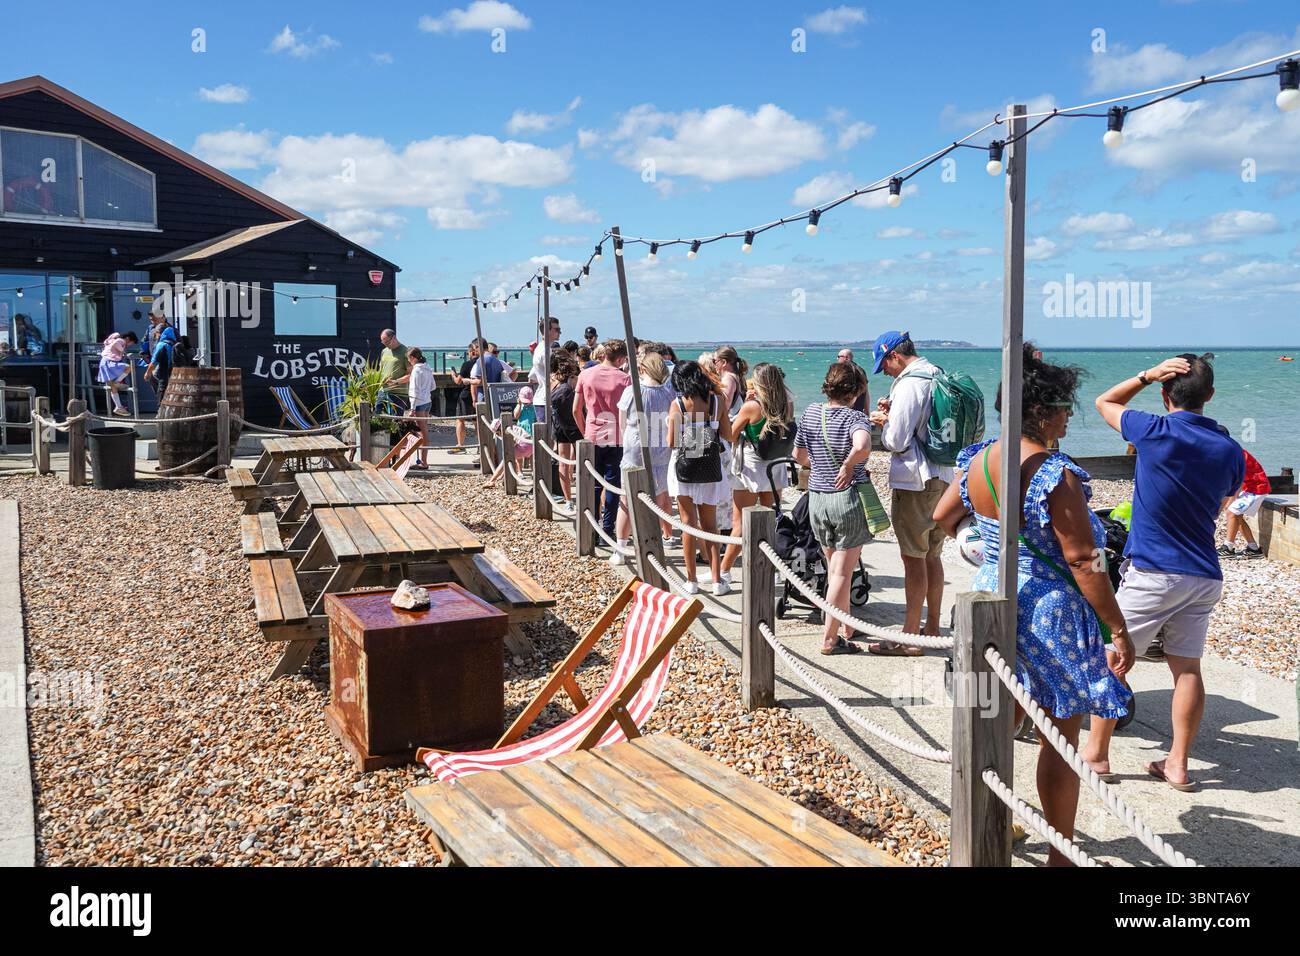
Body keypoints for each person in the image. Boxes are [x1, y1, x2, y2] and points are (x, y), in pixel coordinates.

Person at [933, 343, 1134, 867]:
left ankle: (983, 825)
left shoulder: (979, 459)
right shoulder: (1053, 473)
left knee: (992, 721)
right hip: (1047, 613)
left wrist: (984, 540)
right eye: (1065, 406)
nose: (1071, 415)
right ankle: (1060, 856)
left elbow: (941, 513)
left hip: (990, 595)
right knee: (1059, 736)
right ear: (1041, 411)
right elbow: (1084, 561)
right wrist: (1117, 627)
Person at [1081, 354, 1244, 792]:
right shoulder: (1231, 449)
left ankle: (1096, 755)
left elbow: (1103, 402)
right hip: (1204, 574)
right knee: (1187, 669)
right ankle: (1177, 763)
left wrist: (1144, 374)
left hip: (1155, 569)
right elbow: (1229, 494)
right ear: (1210, 396)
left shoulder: (1154, 430)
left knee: (1113, 658)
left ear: (1163, 393)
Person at [869, 330, 954, 652]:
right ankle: (931, 627)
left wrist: (883, 422)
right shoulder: (937, 374)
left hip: (916, 481)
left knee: (912, 558)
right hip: (944, 475)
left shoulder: (908, 383)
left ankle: (909, 635)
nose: (886, 372)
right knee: (933, 554)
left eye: (885, 365)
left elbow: (896, 441)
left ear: (895, 356)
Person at [793, 362, 876, 654]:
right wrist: (847, 464)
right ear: (854, 392)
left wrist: (821, 467)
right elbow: (863, 445)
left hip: (817, 497)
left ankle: (846, 624)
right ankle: (830, 638)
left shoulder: (812, 413)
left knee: (834, 570)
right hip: (847, 500)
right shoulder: (857, 419)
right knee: (842, 572)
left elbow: (798, 454)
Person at [721, 362, 797, 581]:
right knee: (770, 520)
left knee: (740, 523)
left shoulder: (752, 406)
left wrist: (743, 407)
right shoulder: (787, 403)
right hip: (775, 466)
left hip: (751, 467)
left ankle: (724, 571)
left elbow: (730, 436)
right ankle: (770, 568)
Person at [667, 360, 734, 595]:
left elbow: (672, 442)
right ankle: (717, 581)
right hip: (710, 467)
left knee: (688, 524)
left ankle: (691, 580)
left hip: (685, 468)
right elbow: (728, 434)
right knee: (710, 526)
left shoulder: (677, 404)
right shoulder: (717, 401)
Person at [614, 349, 678, 561]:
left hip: (636, 448)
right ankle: (666, 537)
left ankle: (621, 547)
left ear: (642, 369)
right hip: (661, 450)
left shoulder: (633, 391)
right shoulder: (671, 393)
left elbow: (622, 422)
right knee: (662, 495)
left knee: (627, 499)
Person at [573, 339, 631, 539]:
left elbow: (575, 409)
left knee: (592, 484)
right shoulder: (625, 379)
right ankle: (607, 528)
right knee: (613, 485)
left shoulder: (585, 374)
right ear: (621, 358)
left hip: (592, 434)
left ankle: (591, 528)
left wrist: (584, 431)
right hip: (616, 436)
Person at [388, 347, 435, 469]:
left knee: (419, 432)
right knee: (421, 431)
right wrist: (425, 393)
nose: (408, 362)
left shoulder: (415, 371)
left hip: (418, 403)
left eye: (409, 359)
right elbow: (433, 386)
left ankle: (423, 462)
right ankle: (418, 459)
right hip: (427, 401)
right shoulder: (427, 368)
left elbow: (413, 390)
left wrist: (412, 409)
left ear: (413, 358)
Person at [1220, 448, 1270, 559]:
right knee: (1236, 516)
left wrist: (1232, 500)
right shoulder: (1228, 452)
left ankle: (1228, 548)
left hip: (1257, 488)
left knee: (1232, 512)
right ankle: (1253, 549)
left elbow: (1238, 481)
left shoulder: (1234, 454)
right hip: (1248, 488)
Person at [483, 386, 537, 489]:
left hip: (526, 442)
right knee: (515, 457)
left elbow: (511, 443)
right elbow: (516, 415)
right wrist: (519, 404)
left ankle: (493, 480)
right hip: (529, 441)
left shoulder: (508, 431)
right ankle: (513, 474)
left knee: (507, 458)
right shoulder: (520, 409)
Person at [549, 350, 582, 500]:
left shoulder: (551, 380)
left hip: (559, 423)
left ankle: (568, 499)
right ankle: (583, 495)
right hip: (575, 424)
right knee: (582, 463)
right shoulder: (573, 378)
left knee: (563, 461)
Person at [448, 341, 480, 455]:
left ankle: (460, 445)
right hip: (479, 395)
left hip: (466, 395)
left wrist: (453, 374)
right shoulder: (482, 363)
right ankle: (480, 445)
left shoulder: (467, 364)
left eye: (468, 353)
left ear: (471, 352)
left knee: (460, 420)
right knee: (477, 422)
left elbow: (458, 381)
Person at [97, 331, 138, 416]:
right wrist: (125, 353)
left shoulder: (111, 340)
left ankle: (119, 407)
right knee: (128, 367)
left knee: (113, 387)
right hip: (109, 363)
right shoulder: (121, 341)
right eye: (131, 343)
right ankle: (118, 382)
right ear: (128, 339)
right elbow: (116, 344)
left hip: (104, 363)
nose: (129, 345)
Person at [528, 317, 561, 422]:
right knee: (548, 436)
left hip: (542, 399)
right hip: (547, 401)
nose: (560, 332)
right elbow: (555, 376)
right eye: (557, 329)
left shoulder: (540, 349)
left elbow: (531, 377)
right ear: (547, 331)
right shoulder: (546, 352)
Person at [142, 322, 177, 399]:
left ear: (160, 333)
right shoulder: (174, 343)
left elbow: (154, 361)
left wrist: (147, 373)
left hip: (163, 373)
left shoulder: (161, 345)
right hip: (174, 373)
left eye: (156, 333)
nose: (155, 336)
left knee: (160, 391)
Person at [378, 329, 409, 413]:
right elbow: (381, 370)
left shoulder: (405, 351)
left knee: (395, 420)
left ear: (394, 338)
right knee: (377, 417)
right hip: (383, 390)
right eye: (383, 343)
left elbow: (411, 374)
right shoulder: (384, 351)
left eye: (387, 342)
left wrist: (396, 382)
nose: (386, 345)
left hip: (398, 392)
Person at [838, 347, 870, 413]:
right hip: (859, 411)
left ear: (847, 358)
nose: (837, 359)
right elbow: (866, 392)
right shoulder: (861, 370)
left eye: (839, 357)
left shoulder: (845, 372)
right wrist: (867, 411)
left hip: (847, 411)